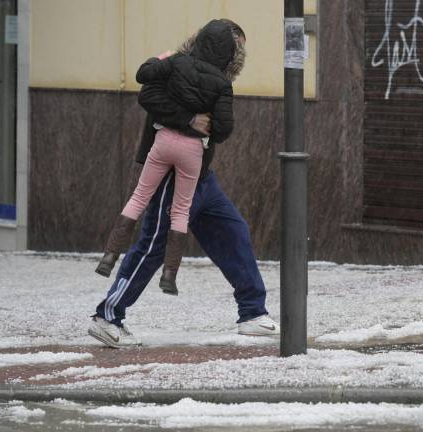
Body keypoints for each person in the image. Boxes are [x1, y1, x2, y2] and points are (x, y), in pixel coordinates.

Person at [87, 19, 279, 349]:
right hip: (170, 174)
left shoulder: (216, 81)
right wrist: (189, 120)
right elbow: (148, 97)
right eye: (238, 49)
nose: (240, 56)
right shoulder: (172, 63)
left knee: (233, 231)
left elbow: (220, 128)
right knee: (153, 246)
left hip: (199, 176)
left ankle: (253, 314)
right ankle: (108, 316)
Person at [95, 19, 243, 297]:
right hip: (192, 152)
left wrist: (160, 58)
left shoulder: (177, 63)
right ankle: (169, 275)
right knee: (180, 211)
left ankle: (109, 255)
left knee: (138, 197)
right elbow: (223, 130)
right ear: (228, 54)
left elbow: (144, 74)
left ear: (197, 41)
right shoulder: (223, 84)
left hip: (163, 142)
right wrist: (204, 122)